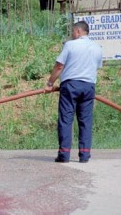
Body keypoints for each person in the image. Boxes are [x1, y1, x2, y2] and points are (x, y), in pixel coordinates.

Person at [45, 21, 102, 163]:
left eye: (72, 31)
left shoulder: (70, 45)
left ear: (78, 31)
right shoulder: (97, 48)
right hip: (89, 86)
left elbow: (59, 66)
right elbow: (96, 67)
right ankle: (84, 155)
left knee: (66, 119)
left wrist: (50, 83)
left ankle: (64, 155)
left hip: (70, 86)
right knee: (85, 121)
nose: (71, 34)